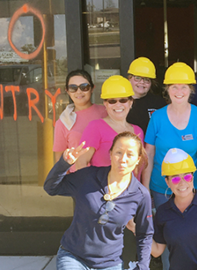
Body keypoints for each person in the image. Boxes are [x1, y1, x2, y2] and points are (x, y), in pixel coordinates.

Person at [44, 131, 153, 270]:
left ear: (138, 159)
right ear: (110, 154)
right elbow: (51, 188)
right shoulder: (87, 177)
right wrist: (63, 164)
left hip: (110, 263)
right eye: (118, 152)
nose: (123, 159)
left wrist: (143, 266)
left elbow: (145, 234)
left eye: (130, 154)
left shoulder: (141, 194)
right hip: (73, 256)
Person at [143, 62, 197, 269]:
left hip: (192, 186)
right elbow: (149, 153)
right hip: (161, 187)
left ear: (191, 89)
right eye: (174, 86)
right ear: (167, 90)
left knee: (193, 234)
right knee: (167, 235)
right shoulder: (157, 117)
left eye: (184, 86)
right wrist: (145, 189)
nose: (179, 91)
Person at [76, 75, 144, 172]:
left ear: (131, 102)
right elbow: (81, 163)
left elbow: (140, 169)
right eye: (112, 101)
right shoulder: (95, 127)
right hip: (101, 186)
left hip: (132, 187)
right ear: (105, 104)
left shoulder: (138, 131)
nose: (118, 104)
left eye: (123, 100)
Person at [53, 69, 107, 172]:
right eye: (73, 88)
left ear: (92, 88)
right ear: (67, 91)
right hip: (78, 180)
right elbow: (60, 159)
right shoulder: (64, 121)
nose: (79, 92)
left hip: (107, 178)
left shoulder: (106, 112)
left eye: (84, 87)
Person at [126, 57, 167, 135]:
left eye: (146, 79)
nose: (142, 82)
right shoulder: (121, 102)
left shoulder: (159, 103)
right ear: (129, 79)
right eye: (137, 78)